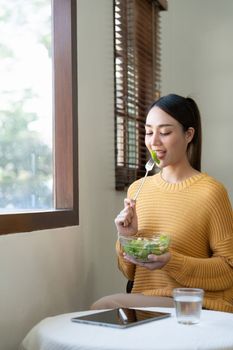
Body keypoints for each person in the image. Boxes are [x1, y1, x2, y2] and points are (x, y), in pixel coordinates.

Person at [91, 93, 233, 312]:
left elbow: (228, 270)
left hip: (196, 306)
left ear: (189, 134)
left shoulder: (211, 193)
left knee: (105, 306)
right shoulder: (138, 189)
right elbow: (129, 272)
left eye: (165, 132)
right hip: (146, 303)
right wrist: (127, 236)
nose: (154, 141)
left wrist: (171, 261)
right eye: (149, 132)